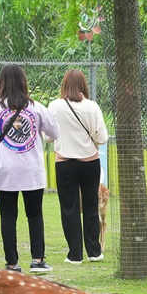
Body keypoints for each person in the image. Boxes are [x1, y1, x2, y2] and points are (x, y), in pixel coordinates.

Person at [0, 64, 60, 274]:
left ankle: (12, 264)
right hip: (32, 170)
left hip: (6, 171)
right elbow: (55, 131)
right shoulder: (36, 107)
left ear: (2, 82)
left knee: (8, 216)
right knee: (35, 215)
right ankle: (38, 260)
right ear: (24, 82)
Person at [48, 69, 109, 264]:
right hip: (90, 162)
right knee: (91, 206)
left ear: (64, 84)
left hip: (65, 163)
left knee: (69, 208)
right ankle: (94, 251)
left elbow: (48, 136)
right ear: (84, 85)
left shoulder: (55, 106)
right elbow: (102, 137)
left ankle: (75, 254)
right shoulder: (92, 107)